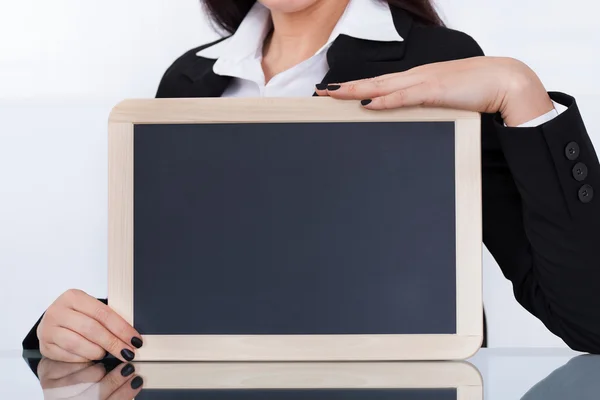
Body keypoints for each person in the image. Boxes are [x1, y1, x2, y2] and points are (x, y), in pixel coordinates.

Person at [23, 0, 600, 362]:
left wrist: (520, 92)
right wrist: (69, 330)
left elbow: (586, 316)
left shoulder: (437, 62)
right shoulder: (192, 79)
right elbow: (180, 298)